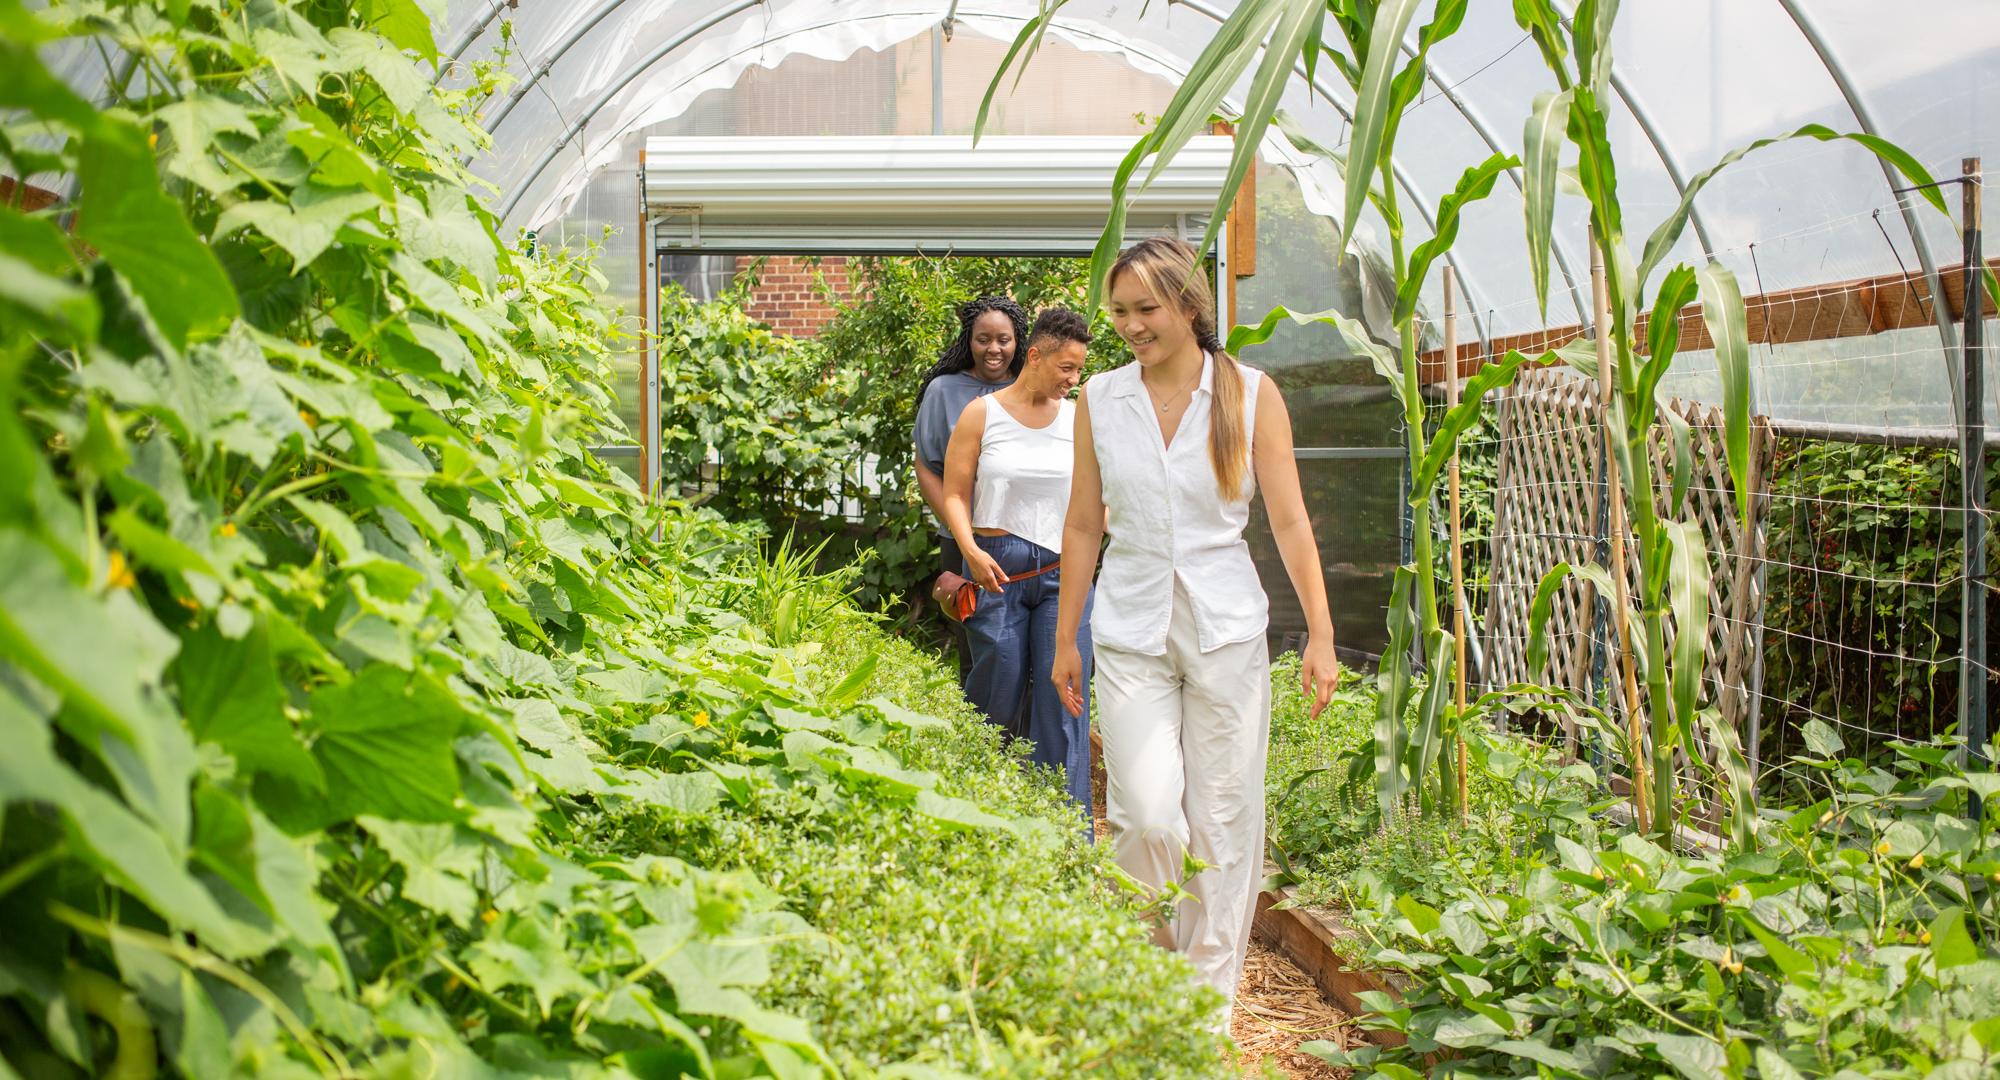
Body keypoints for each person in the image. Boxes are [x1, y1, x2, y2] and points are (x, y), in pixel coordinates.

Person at [1048, 236, 1340, 1020]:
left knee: (1224, 817)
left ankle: (1201, 1011)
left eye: (1146, 309)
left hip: (1227, 627)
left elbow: (1287, 517)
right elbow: (1082, 525)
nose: (1131, 325)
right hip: (1129, 624)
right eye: (1119, 312)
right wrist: (1064, 637)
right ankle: (1155, 975)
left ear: (1188, 306)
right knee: (1144, 812)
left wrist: (1320, 633)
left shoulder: (1248, 393)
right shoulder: (1100, 400)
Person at [938, 308, 1096, 824]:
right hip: (997, 569)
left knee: (1064, 705)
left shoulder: (1079, 420)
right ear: (1036, 355)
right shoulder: (982, 414)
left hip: (1064, 574)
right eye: (1067, 368)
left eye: (1079, 371)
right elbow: (955, 494)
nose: (1074, 380)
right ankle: (982, 824)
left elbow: (1100, 499)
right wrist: (971, 550)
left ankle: (1067, 841)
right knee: (995, 696)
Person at [913, 295, 1029, 690]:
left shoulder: (1030, 388)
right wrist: (960, 527)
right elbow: (926, 466)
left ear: (1018, 341)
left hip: (1026, 539)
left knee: (1024, 645)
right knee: (974, 642)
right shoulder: (943, 391)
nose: (993, 349)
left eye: (1003, 339)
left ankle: (1024, 737)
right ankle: (982, 740)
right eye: (983, 339)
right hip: (962, 541)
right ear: (969, 339)